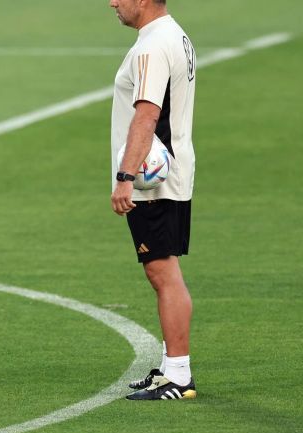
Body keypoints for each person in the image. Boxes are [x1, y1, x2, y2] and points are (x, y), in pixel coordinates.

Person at [108, 0, 198, 400]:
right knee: (162, 268)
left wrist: (125, 177)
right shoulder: (173, 34)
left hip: (152, 177)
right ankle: (169, 368)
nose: (112, 2)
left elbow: (146, 114)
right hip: (171, 166)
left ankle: (178, 375)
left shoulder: (151, 46)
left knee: (162, 271)